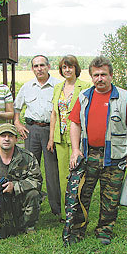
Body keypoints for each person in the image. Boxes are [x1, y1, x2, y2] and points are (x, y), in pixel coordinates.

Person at [68, 56, 127, 245]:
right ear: (91, 77)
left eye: (104, 75)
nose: (100, 79)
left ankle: (104, 231)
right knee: (82, 194)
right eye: (96, 75)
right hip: (88, 155)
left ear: (111, 75)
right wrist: (75, 150)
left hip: (115, 157)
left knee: (110, 197)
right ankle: (77, 230)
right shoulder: (84, 97)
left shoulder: (124, 97)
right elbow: (74, 123)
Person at [14, 55, 62, 220]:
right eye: (36, 66)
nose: (39, 68)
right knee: (29, 169)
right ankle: (30, 203)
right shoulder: (27, 87)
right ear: (32, 68)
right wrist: (18, 124)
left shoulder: (58, 86)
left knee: (52, 171)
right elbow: (16, 109)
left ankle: (56, 208)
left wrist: (53, 135)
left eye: (42, 65)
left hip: (50, 130)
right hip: (31, 130)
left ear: (49, 66)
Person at [48, 55, 90, 220]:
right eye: (64, 67)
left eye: (70, 67)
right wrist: (51, 137)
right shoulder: (58, 87)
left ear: (76, 69)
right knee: (63, 175)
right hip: (60, 137)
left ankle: (80, 210)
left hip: (78, 138)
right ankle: (67, 213)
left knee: (79, 174)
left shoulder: (85, 86)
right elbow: (54, 114)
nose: (67, 70)